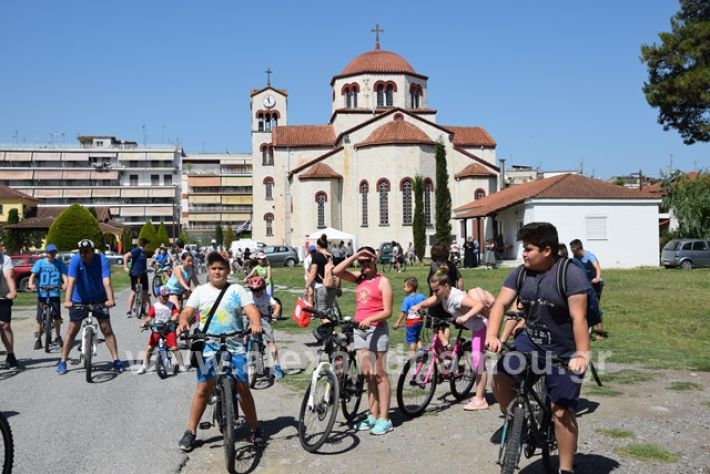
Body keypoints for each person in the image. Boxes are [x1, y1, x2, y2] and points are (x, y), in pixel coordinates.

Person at [486, 222, 590, 474]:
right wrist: (493, 335)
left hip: (563, 351)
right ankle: (516, 422)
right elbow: (500, 303)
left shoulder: (570, 274)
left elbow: (579, 318)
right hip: (529, 344)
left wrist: (581, 354)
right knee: (499, 378)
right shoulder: (521, 273)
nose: (523, 253)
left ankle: (566, 468)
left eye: (528, 249)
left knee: (562, 412)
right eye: (523, 248)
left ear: (546, 250)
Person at [176, 252, 265, 451]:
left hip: (235, 344)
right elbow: (188, 311)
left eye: (221, 268)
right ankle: (191, 431)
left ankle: (255, 429)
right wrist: (183, 321)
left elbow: (250, 309)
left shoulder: (237, 290)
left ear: (228, 270)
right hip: (208, 345)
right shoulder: (200, 291)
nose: (217, 272)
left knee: (243, 390)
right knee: (202, 390)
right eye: (214, 268)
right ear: (208, 270)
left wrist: (256, 323)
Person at [412, 267, 494, 411]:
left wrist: (465, 317)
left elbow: (479, 305)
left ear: (446, 286)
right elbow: (434, 299)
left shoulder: (457, 298)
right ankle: (455, 362)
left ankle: (480, 400)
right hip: (470, 323)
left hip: (481, 325)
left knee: (477, 361)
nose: (435, 293)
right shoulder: (443, 295)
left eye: (437, 290)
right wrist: (420, 305)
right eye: (433, 290)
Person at [334, 246, 394, 435]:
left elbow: (388, 311)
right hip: (360, 330)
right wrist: (354, 256)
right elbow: (336, 271)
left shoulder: (383, 282)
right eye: (362, 262)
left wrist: (371, 318)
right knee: (367, 374)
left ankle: (385, 418)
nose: (365, 265)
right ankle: (372, 414)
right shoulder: (359, 278)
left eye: (368, 261)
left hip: (377, 330)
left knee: (379, 374)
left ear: (375, 260)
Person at [57, 239, 123, 374]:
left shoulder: (102, 260)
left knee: (106, 329)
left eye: (86, 251)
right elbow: (71, 282)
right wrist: (67, 300)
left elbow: (106, 281)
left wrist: (110, 299)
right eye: (81, 252)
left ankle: (116, 359)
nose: (83, 254)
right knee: (72, 329)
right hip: (79, 299)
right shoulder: (76, 260)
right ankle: (63, 361)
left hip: (99, 298)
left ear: (93, 251)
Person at [137, 286, 186, 374]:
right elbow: (149, 317)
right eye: (163, 296)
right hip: (157, 329)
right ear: (158, 296)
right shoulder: (155, 306)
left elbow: (176, 314)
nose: (165, 298)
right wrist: (145, 323)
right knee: (149, 347)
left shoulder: (171, 305)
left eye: (167, 296)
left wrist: (174, 317)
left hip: (169, 329)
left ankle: (181, 365)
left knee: (174, 348)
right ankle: (144, 365)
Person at [27, 244, 68, 350]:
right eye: (50, 252)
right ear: (46, 253)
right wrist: (31, 284)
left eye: (54, 252)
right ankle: (38, 339)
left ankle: (58, 336)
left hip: (55, 292)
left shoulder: (59, 263)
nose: (52, 254)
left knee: (57, 316)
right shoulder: (40, 263)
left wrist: (65, 284)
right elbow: (32, 276)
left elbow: (64, 275)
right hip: (42, 292)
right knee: (39, 316)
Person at [426, 242, 464, 348]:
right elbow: (460, 278)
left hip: (436, 299)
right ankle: (445, 346)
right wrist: (460, 291)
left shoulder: (436, 266)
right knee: (446, 324)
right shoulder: (451, 265)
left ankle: (444, 343)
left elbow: (438, 279)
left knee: (435, 326)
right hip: (449, 299)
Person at [246, 276, 284, 379]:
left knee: (271, 344)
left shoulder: (267, 297)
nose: (256, 292)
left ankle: (277, 367)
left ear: (263, 289)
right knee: (244, 338)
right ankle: (246, 361)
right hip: (251, 320)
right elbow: (242, 306)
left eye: (258, 290)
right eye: (253, 290)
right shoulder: (248, 296)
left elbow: (277, 305)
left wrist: (275, 313)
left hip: (264, 320)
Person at [569, 239, 607, 340]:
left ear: (579, 248)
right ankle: (586, 330)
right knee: (585, 307)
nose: (573, 253)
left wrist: (597, 278)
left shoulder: (589, 256)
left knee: (595, 307)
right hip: (585, 284)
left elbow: (597, 268)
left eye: (574, 251)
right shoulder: (575, 257)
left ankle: (600, 333)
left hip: (596, 284)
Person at [393, 277, 426, 355]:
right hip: (420, 321)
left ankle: (412, 356)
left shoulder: (407, 299)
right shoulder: (421, 296)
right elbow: (428, 301)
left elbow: (403, 312)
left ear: (410, 288)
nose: (403, 288)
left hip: (411, 323)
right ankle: (421, 350)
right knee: (417, 337)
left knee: (411, 340)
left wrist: (397, 322)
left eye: (405, 286)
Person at [305, 234, 336, 314]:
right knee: (328, 312)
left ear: (318, 245)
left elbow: (313, 274)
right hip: (332, 286)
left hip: (321, 287)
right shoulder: (331, 257)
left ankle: (326, 324)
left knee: (322, 314)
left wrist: (307, 286)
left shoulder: (316, 256)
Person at [0, 244, 19, 370]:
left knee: (4, 325)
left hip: (3, 296)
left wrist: (12, 290)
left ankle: (10, 355)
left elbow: (9, 276)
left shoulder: (5, 259)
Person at [124, 238, 150, 318]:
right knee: (134, 291)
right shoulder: (137, 250)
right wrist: (125, 267)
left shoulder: (143, 252)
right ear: (145, 244)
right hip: (135, 273)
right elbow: (126, 256)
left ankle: (147, 311)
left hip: (143, 273)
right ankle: (129, 311)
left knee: (145, 292)